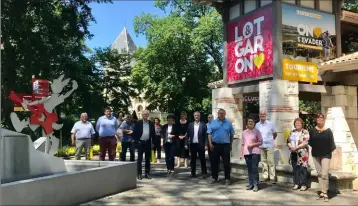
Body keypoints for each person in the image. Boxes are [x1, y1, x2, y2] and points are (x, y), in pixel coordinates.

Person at [309, 113, 336, 202]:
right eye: (318, 117)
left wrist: (327, 152)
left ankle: (325, 192)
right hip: (316, 154)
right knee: (319, 173)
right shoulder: (312, 130)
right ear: (316, 119)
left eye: (321, 117)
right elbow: (311, 142)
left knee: (324, 173)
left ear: (323, 119)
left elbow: (332, 144)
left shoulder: (328, 131)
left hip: (326, 155)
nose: (319, 119)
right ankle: (322, 191)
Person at [207, 108, 235, 185]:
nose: (221, 114)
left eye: (223, 113)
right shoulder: (213, 123)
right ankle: (214, 177)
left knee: (226, 163)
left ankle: (227, 179)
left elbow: (232, 134)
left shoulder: (228, 123)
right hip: (215, 145)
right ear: (218, 114)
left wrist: (231, 144)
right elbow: (209, 134)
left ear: (225, 114)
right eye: (220, 113)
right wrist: (210, 143)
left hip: (225, 145)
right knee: (214, 163)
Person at [240, 117, 263, 192]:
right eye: (249, 121)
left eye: (252, 121)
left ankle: (256, 184)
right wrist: (241, 154)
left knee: (254, 168)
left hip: (255, 152)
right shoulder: (244, 132)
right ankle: (251, 184)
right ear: (247, 123)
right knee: (249, 169)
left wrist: (253, 144)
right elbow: (243, 144)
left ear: (254, 123)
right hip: (247, 153)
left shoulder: (257, 131)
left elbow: (261, 142)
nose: (250, 122)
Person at [287, 118, 310, 191]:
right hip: (293, 153)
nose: (297, 124)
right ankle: (296, 183)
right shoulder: (292, 132)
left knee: (303, 169)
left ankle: (303, 184)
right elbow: (288, 141)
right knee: (295, 169)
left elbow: (305, 142)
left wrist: (296, 147)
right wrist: (291, 146)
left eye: (299, 123)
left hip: (302, 154)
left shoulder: (305, 132)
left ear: (302, 124)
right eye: (296, 123)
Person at [255, 111, 278, 184]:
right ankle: (265, 177)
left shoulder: (270, 124)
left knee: (270, 162)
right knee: (263, 162)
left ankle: (272, 177)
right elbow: (256, 135)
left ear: (266, 115)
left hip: (269, 145)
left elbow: (275, 133)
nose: (262, 115)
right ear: (259, 115)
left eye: (264, 114)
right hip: (261, 146)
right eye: (261, 114)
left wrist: (271, 140)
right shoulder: (257, 125)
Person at [133, 110, 155, 180]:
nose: (145, 116)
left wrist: (153, 143)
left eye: (146, 115)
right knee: (139, 159)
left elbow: (153, 134)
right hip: (140, 143)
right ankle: (139, 174)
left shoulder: (151, 123)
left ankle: (147, 173)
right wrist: (137, 142)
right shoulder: (138, 123)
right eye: (144, 114)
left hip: (148, 143)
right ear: (142, 115)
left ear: (148, 115)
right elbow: (134, 133)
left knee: (147, 159)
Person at [186, 111, 208, 178]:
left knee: (202, 159)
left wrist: (206, 145)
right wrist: (186, 144)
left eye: (198, 115)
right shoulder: (190, 125)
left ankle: (204, 173)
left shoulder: (203, 125)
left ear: (199, 116)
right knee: (193, 160)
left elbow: (206, 136)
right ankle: (193, 173)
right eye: (195, 115)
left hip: (201, 145)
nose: (196, 116)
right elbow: (187, 135)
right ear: (194, 116)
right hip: (193, 145)